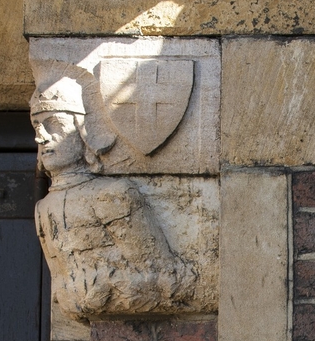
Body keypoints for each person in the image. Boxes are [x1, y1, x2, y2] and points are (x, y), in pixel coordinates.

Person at [30, 72, 200, 316]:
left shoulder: (111, 195)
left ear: (82, 130)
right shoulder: (43, 209)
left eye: (54, 125)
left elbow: (164, 277)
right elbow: (60, 284)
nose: (40, 136)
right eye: (37, 127)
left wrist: (110, 287)